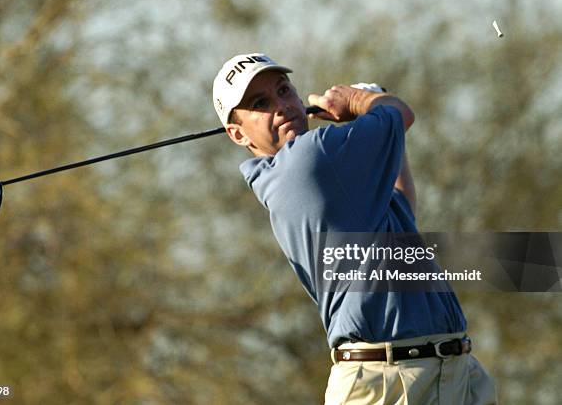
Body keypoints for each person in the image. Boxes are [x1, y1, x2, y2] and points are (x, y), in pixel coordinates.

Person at [212, 53, 497, 404]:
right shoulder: (311, 158)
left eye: (285, 90)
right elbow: (400, 113)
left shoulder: (326, 175)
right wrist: (361, 100)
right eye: (260, 103)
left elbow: (401, 206)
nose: (282, 106)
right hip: (386, 383)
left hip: (450, 372)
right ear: (238, 134)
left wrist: (372, 111)